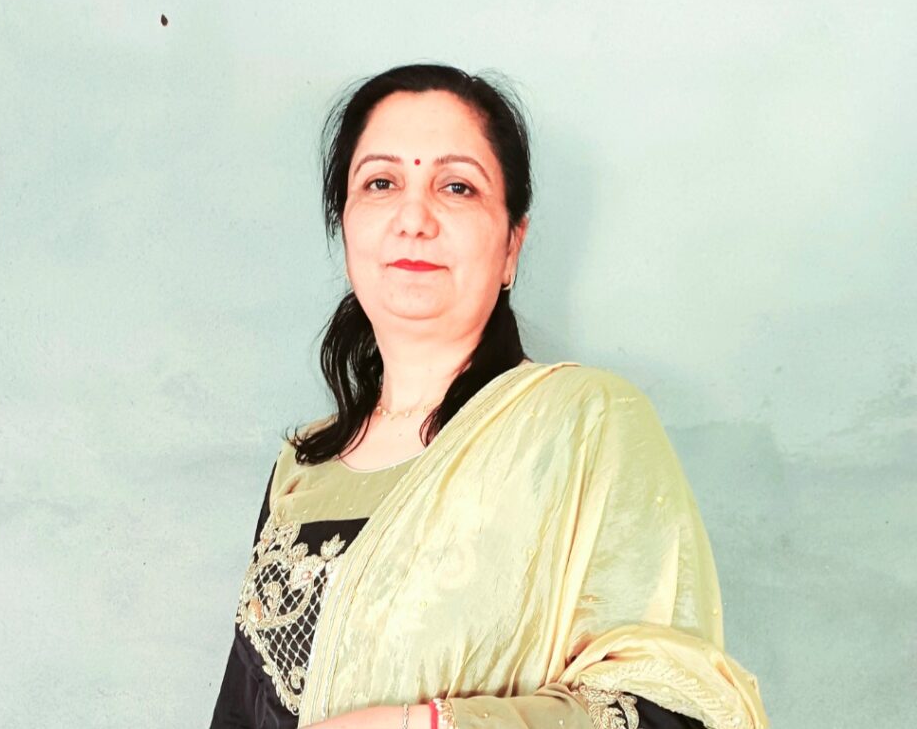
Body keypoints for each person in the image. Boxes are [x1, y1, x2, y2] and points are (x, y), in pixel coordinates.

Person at [209, 64, 769, 729]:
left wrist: (424, 726)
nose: (413, 218)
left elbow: (675, 705)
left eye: (457, 186)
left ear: (511, 246)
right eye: (381, 183)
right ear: (346, 226)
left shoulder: (584, 425)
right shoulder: (303, 467)